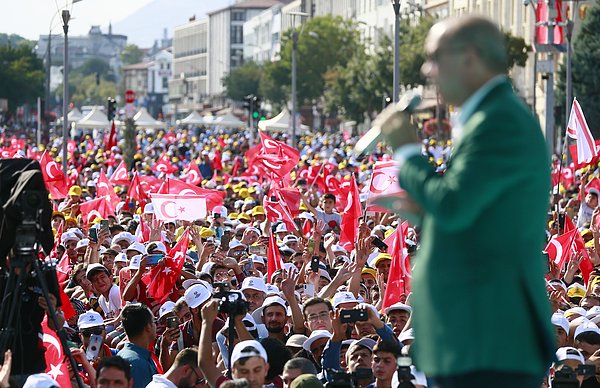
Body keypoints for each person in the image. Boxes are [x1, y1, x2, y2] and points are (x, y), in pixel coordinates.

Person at [375, 15, 554, 387]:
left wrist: (407, 152)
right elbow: (472, 218)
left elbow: (454, 205)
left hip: (490, 336)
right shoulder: (490, 118)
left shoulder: (498, 121)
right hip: (474, 335)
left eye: (435, 57)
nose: (427, 70)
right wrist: (424, 212)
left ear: (470, 57)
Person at [116, 303, 158, 388]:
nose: (156, 326)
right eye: (154, 321)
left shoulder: (124, 354)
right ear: (148, 327)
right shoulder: (138, 364)